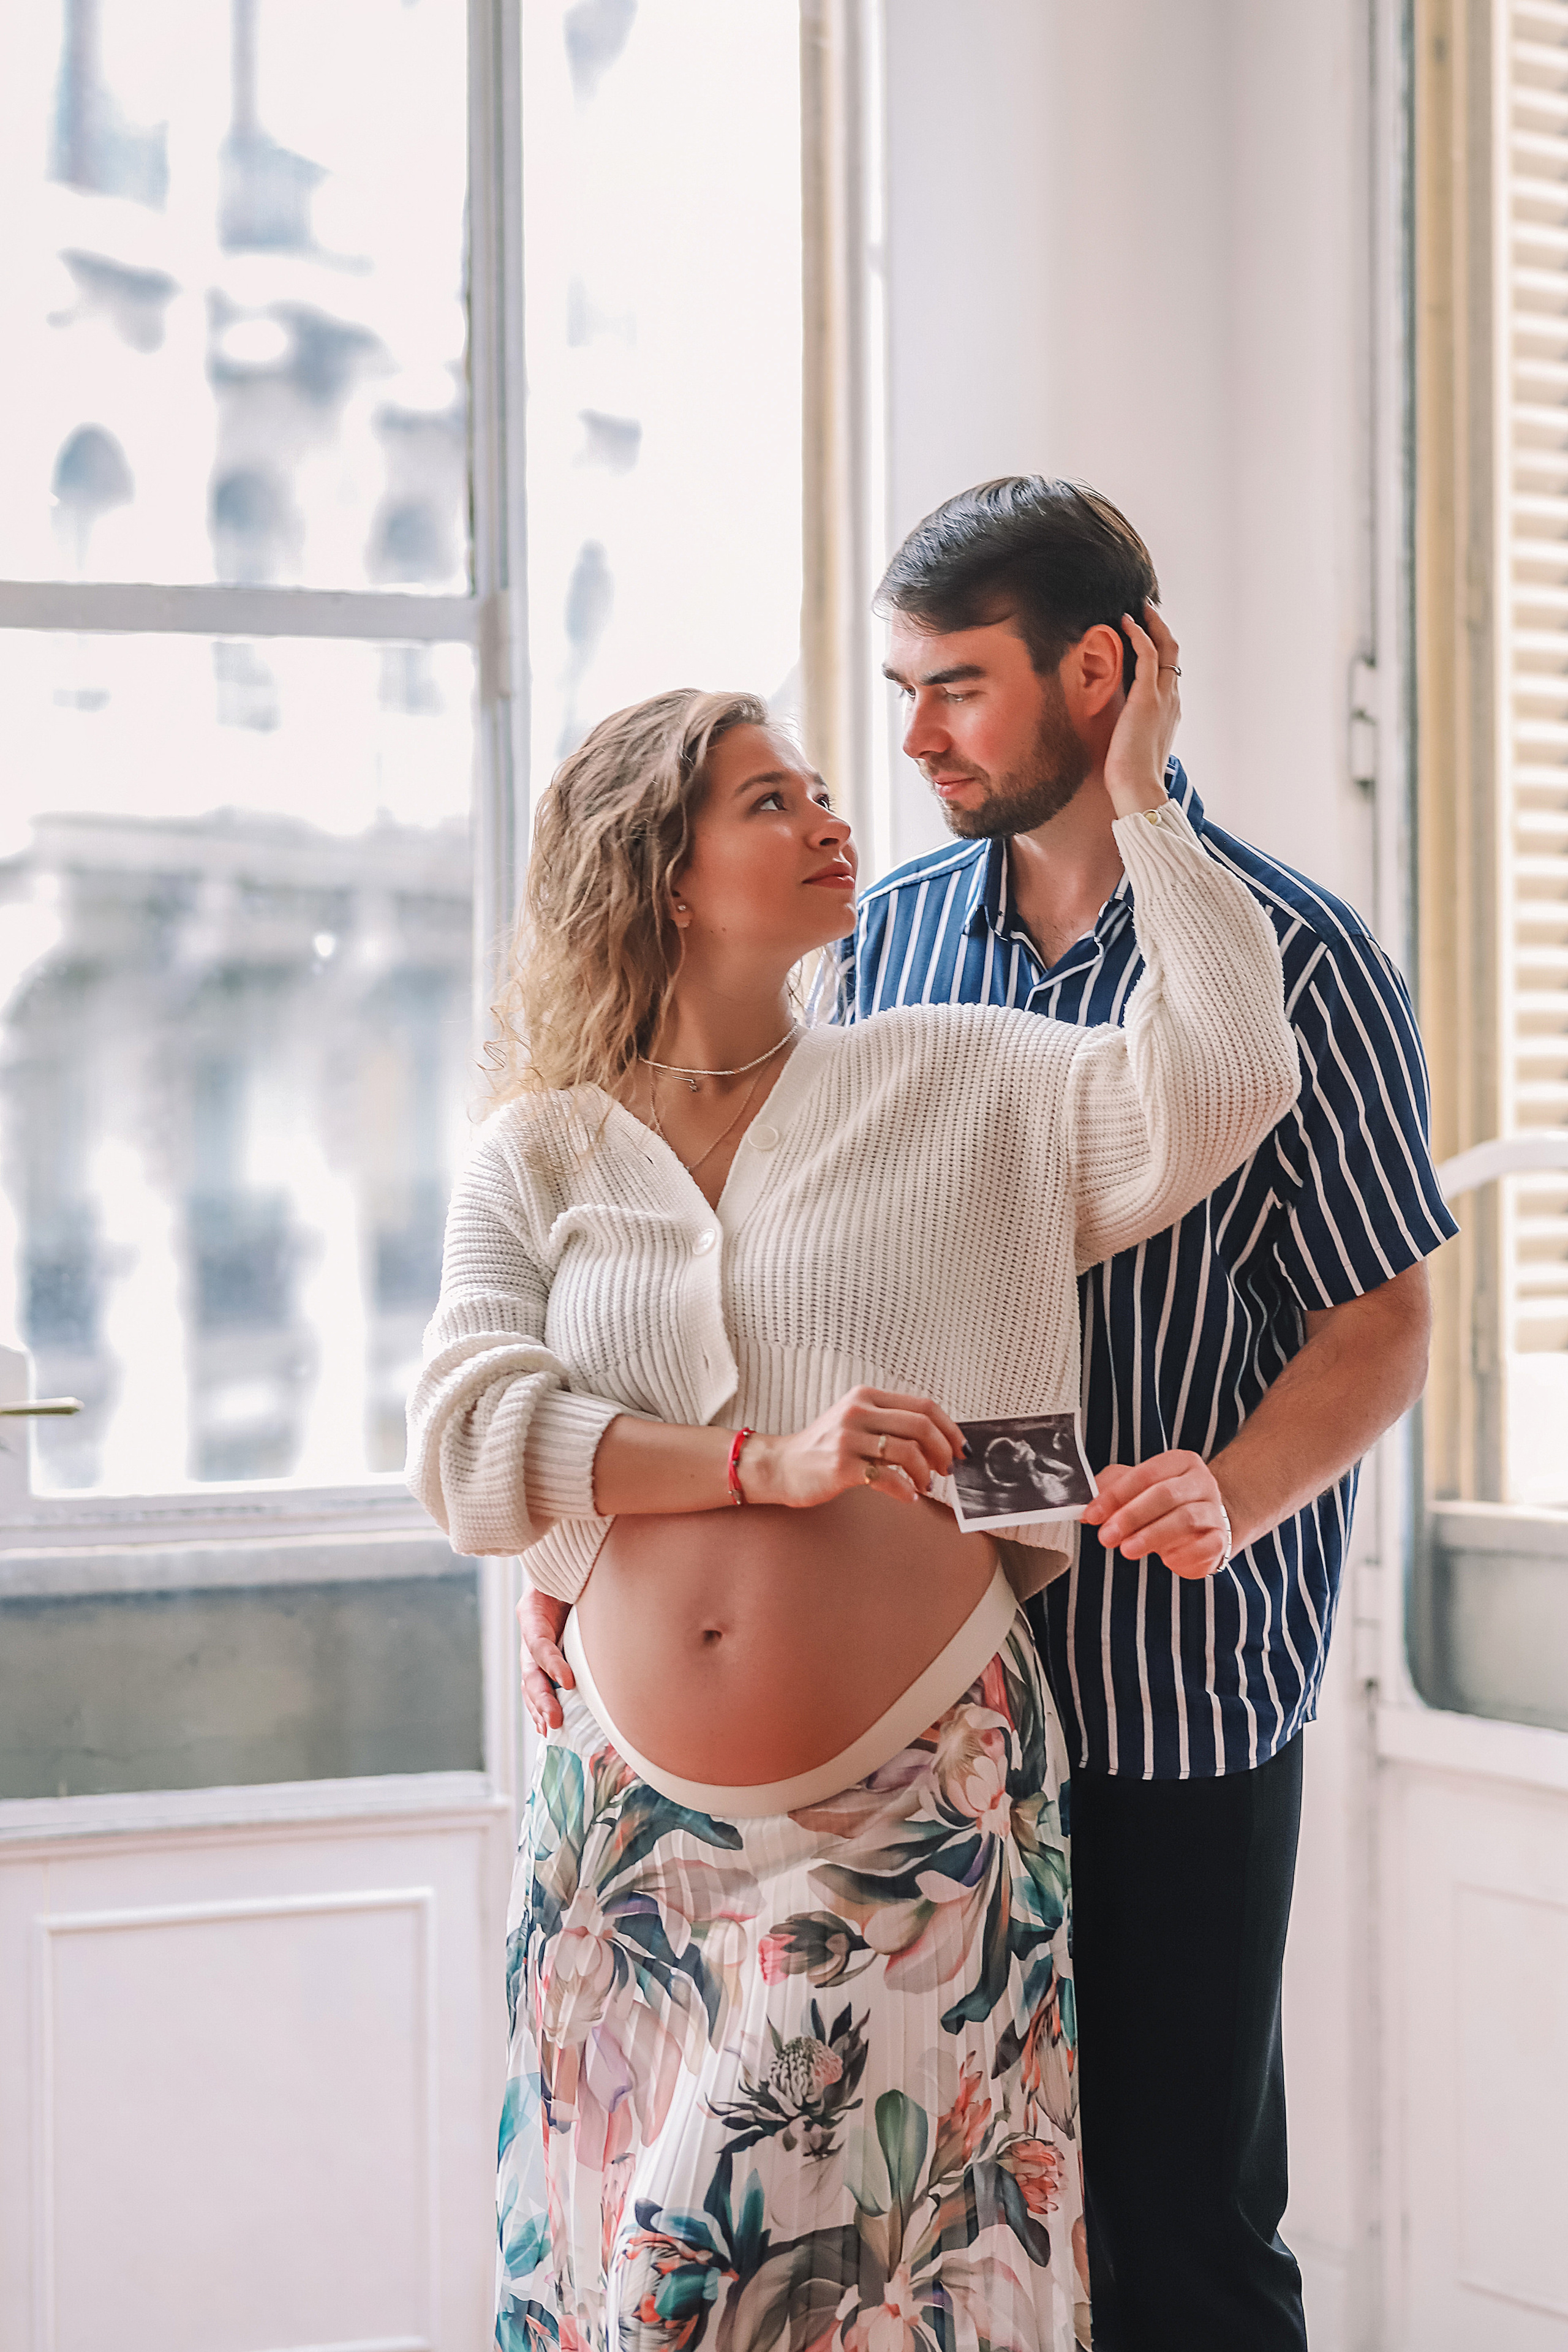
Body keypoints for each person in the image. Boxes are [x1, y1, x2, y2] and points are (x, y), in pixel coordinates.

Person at [521, 479, 1458, 2352]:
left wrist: (1237, 1486)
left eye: (956, 686)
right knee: (949, 2236)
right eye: (899, 687)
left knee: (1177, 2225)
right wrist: (589, 1552)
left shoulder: (1301, 961)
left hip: (1179, 1677)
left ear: (1098, 673)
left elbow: (1387, 1320)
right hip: (929, 1714)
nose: (914, 737)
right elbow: (774, 1306)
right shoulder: (888, 941)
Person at [410, 618, 1300, 2352]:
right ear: (662, 871)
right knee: (615, 2273)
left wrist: (1146, 803)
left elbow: (1224, 1084)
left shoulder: (954, 1077)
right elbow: (463, 1441)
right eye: (771, 798)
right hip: (626, 1830)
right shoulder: (540, 1149)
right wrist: (758, 1464)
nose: (833, 816)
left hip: (915, 1811)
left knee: (728, 2271)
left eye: (825, 789)